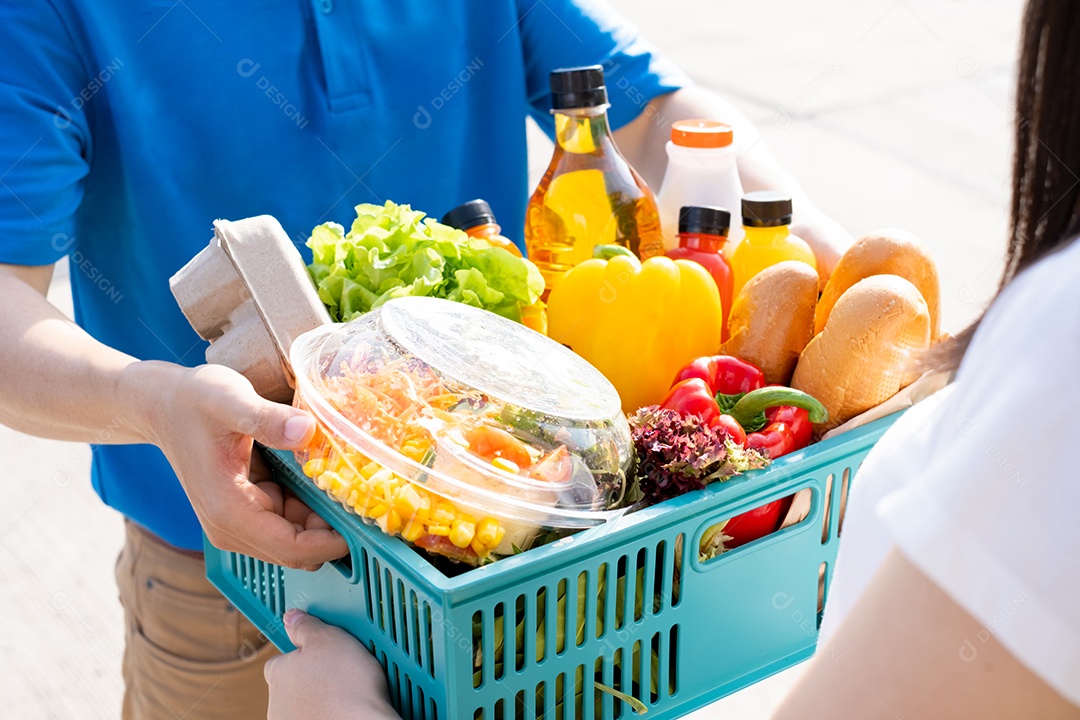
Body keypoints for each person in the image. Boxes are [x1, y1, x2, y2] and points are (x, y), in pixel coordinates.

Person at [0, 1, 850, 718]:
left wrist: (820, 249)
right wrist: (153, 401)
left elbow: (656, 112)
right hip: (232, 569)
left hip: (508, 569)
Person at [263, 0, 1080, 717]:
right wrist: (154, 403)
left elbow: (651, 110)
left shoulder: (1058, 332)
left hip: (487, 567)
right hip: (254, 510)